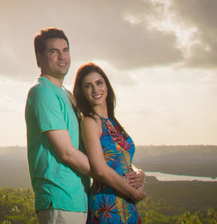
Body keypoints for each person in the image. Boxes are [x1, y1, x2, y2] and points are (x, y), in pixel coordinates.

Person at [24, 28, 91, 224]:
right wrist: (108, 175)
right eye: (54, 51)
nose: (62, 56)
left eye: (65, 50)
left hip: (77, 201)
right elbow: (67, 153)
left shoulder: (66, 94)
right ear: (39, 58)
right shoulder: (43, 92)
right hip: (59, 200)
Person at [74, 63, 147, 224]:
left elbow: (123, 158)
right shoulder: (90, 121)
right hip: (107, 204)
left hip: (127, 203)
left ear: (107, 85)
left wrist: (139, 172)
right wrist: (135, 194)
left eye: (99, 83)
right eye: (88, 86)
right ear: (83, 92)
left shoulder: (112, 122)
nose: (95, 90)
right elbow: (100, 169)